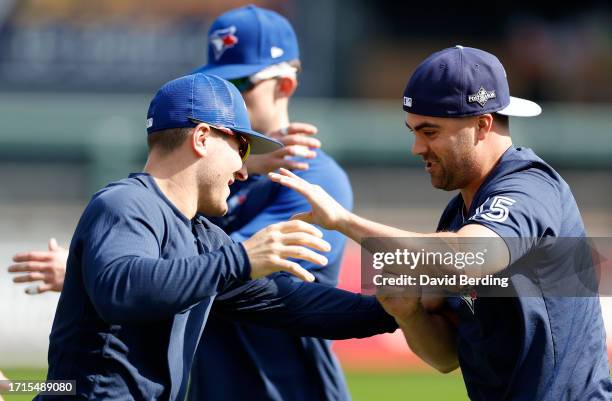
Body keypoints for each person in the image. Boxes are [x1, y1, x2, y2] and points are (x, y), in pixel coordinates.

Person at [268, 46, 612, 400]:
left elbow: (467, 260)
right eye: (413, 131)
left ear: (482, 125)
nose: (416, 147)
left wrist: (342, 220)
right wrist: (410, 314)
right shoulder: (458, 215)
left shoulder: (529, 186)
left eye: (430, 132)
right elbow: (445, 357)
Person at [37, 73, 397, 401]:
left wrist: (394, 309)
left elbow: (294, 305)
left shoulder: (204, 237)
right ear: (202, 137)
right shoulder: (125, 203)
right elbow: (121, 290)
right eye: (241, 147)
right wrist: (240, 259)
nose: (243, 169)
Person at [190, 6, 353, 401]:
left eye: (240, 85)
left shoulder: (313, 178)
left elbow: (225, 273)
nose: (224, 98)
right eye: (215, 84)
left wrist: (130, 269)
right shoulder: (203, 170)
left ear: (284, 85)